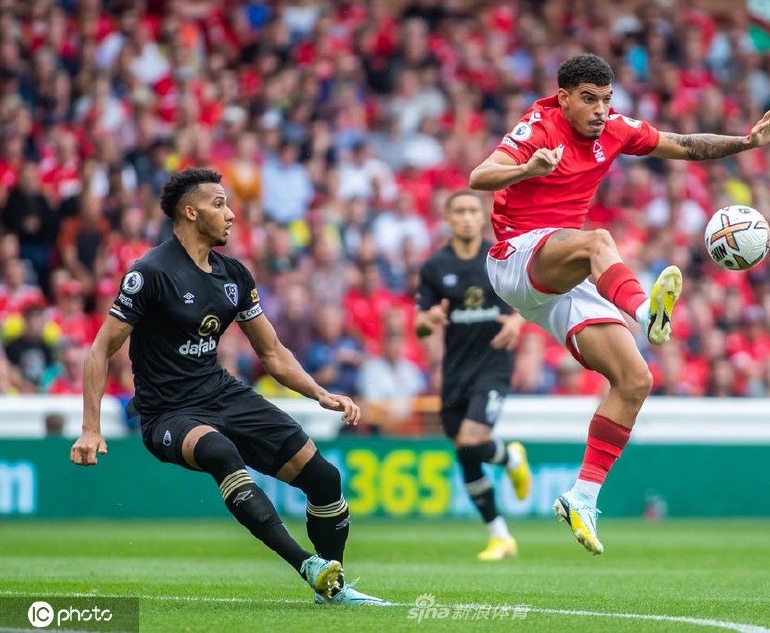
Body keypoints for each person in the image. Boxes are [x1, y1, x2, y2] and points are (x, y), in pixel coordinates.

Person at [469, 53, 770, 555]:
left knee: (636, 379)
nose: (600, 110)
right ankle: (645, 314)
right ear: (564, 98)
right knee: (598, 241)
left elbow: (684, 144)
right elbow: (479, 176)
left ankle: (581, 497)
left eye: (606, 99)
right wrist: (528, 168)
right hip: (515, 256)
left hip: (560, 273)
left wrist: (746, 142)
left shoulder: (616, 129)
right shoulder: (539, 127)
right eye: (589, 100)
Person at [69, 168, 388, 605]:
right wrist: (90, 428)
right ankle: (308, 566)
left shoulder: (234, 275)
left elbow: (272, 353)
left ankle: (333, 589)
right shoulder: (150, 273)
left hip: (222, 394)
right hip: (168, 412)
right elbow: (100, 349)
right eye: (219, 204)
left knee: (325, 478)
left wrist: (319, 393)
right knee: (221, 452)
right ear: (190, 212)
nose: (231, 214)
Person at [415, 191, 531, 561]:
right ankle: (500, 536)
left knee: (470, 440)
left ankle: (512, 460)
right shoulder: (434, 266)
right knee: (465, 454)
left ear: (482, 218)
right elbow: (419, 324)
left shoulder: (500, 257)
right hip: (455, 371)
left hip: (493, 365)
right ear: (448, 218)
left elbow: (533, 299)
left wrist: (517, 321)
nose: (466, 217)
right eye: (459, 211)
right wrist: (428, 320)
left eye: (472, 211)